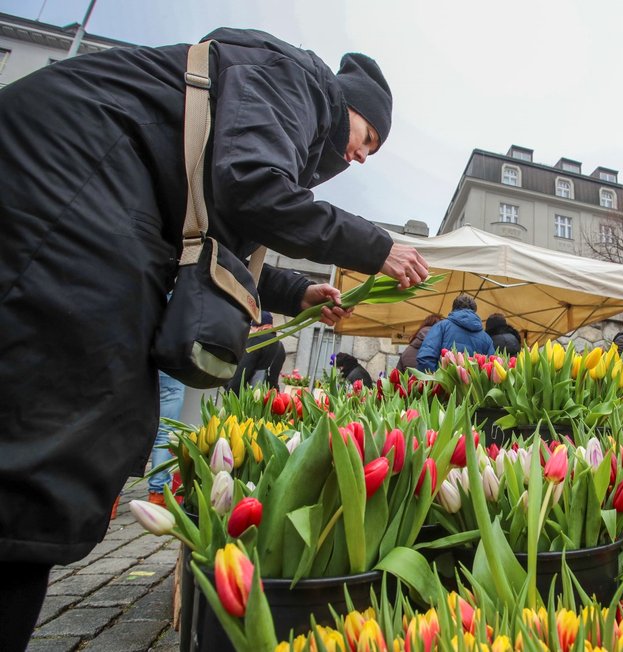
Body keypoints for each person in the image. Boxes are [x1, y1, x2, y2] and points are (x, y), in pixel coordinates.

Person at [0, 28, 430, 647]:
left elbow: (220, 218)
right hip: (72, 170)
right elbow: (250, 186)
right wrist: (378, 247)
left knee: (87, 405)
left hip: (97, 180)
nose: (362, 157)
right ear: (350, 106)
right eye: (369, 139)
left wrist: (293, 292)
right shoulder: (297, 80)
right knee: (64, 406)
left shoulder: (283, 99)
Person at [416, 294, 495, 371]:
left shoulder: (441, 327)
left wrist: (437, 381)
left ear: (453, 308)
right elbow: (492, 367)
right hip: (473, 384)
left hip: (442, 382)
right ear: (474, 311)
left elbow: (425, 358)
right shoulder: (487, 339)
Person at [146, 372, 188, 507]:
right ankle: (157, 494)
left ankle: (112, 498)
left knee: (126, 430)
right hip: (169, 369)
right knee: (164, 432)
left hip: (136, 366)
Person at [224, 311, 287, 392]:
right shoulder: (280, 346)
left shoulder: (256, 340)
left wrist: (230, 394)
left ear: (257, 327)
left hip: (252, 397)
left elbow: (242, 372)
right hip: (269, 396)